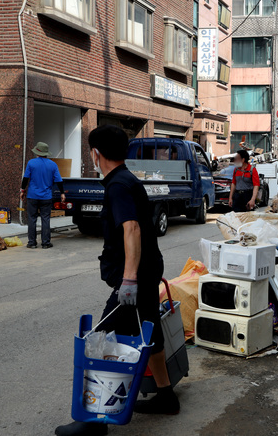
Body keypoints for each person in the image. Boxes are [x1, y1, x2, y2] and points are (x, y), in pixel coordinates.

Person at [55, 125, 178, 436]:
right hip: (145, 272)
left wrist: (129, 280)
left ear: (96, 154)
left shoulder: (118, 186)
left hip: (133, 280)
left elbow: (132, 228)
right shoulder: (127, 180)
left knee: (100, 340)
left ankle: (94, 420)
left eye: (91, 153)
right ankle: (166, 396)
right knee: (151, 335)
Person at [20, 142, 65, 249]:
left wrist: (22, 190)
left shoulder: (31, 163)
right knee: (45, 219)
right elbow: (59, 181)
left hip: (32, 196)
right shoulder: (53, 164)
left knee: (32, 219)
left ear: (37, 152)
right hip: (46, 197)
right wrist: (62, 193)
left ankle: (32, 243)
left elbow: (25, 178)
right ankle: (45, 243)